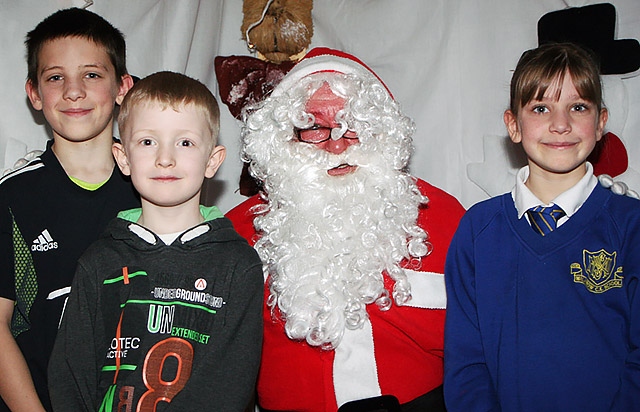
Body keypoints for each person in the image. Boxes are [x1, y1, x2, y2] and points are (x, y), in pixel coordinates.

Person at [226, 47, 465, 412]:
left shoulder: (446, 218)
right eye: (314, 128)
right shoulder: (237, 234)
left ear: (383, 133)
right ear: (283, 140)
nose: (337, 145)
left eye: (353, 125)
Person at [47, 71, 264, 412]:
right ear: (123, 158)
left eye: (185, 142)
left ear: (212, 161)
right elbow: (70, 374)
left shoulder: (239, 265)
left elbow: (231, 385)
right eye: (148, 142)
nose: (166, 158)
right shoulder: (99, 260)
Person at [443, 42, 640, 411]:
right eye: (541, 107)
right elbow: (466, 363)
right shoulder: (477, 231)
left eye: (578, 107)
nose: (560, 124)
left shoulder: (631, 227)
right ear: (514, 125)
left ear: (600, 123)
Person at [0, 8, 138, 411]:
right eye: (55, 77)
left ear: (122, 87)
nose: (73, 91)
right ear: (34, 93)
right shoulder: (14, 197)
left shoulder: (157, 188)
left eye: (92, 75)